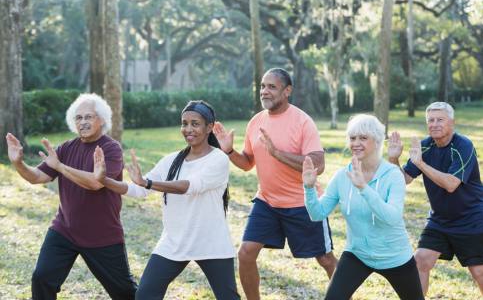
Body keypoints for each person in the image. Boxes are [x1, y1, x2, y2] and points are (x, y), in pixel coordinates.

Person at [92, 100, 240, 300]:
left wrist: (148, 182)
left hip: (210, 242)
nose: (188, 129)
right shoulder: (171, 160)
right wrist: (104, 180)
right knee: (145, 296)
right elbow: (137, 190)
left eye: (195, 124)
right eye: (184, 123)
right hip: (174, 241)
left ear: (209, 128)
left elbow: (190, 186)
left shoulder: (218, 159)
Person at [213, 68, 338, 300]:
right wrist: (229, 151)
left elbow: (318, 165)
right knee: (246, 253)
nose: (264, 91)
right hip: (268, 202)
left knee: (325, 259)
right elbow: (248, 163)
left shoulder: (302, 121)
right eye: (262, 86)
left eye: (271, 87)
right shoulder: (256, 122)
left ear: (287, 90)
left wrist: (277, 153)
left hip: (304, 203)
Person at [5, 93, 137, 299]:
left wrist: (60, 166)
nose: (83, 122)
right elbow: (37, 177)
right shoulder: (66, 148)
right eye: (78, 118)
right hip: (64, 230)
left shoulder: (111, 148)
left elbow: (95, 182)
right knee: (42, 278)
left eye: (88, 117)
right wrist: (18, 163)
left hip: (102, 234)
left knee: (125, 293)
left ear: (101, 120)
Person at [303, 114, 424, 300]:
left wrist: (363, 188)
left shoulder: (393, 175)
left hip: (395, 256)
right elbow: (317, 214)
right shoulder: (342, 176)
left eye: (363, 138)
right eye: (352, 138)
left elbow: (392, 217)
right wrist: (309, 188)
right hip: (357, 254)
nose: (356, 143)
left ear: (376, 141)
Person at [388, 101, 483, 296]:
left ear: (452, 123)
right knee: (420, 261)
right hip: (440, 220)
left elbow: (451, 184)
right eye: (430, 120)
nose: (434, 124)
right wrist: (393, 159)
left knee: (479, 272)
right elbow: (404, 179)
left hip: (472, 218)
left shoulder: (463, 145)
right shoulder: (425, 146)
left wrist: (421, 164)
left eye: (440, 119)